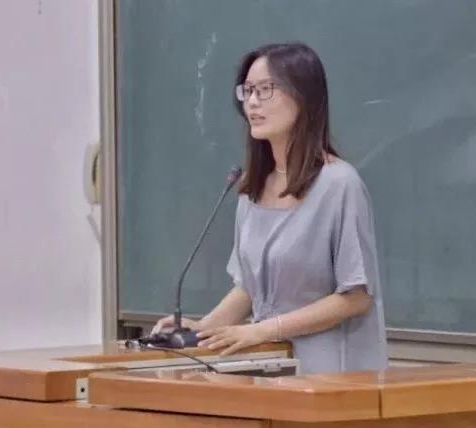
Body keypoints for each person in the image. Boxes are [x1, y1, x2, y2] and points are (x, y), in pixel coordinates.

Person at [153, 42, 387, 374]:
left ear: (303, 97)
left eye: (265, 90)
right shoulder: (252, 188)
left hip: (330, 373)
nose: (252, 102)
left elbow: (356, 296)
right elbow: (250, 289)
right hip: (270, 366)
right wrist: (203, 329)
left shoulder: (339, 184)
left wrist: (264, 329)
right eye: (247, 90)